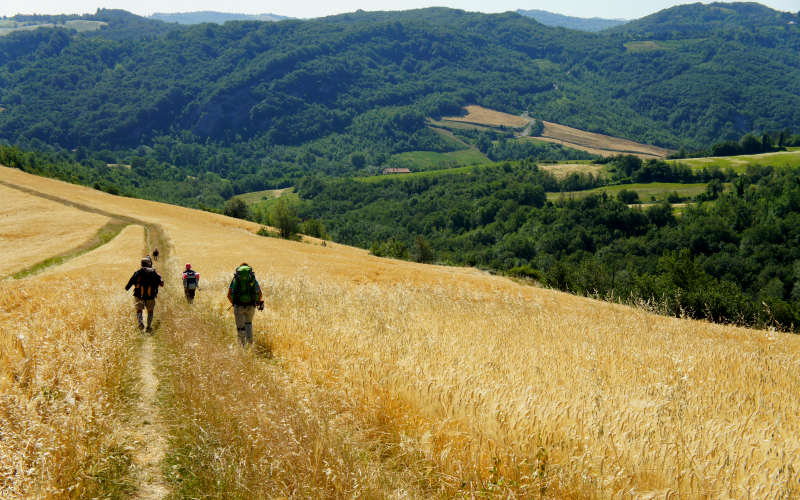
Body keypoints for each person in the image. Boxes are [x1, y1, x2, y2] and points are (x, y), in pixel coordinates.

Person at [227, 263, 264, 346]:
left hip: (238, 306)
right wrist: (257, 302)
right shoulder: (252, 279)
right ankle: (250, 344)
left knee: (240, 327)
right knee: (248, 324)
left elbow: (228, 295)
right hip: (251, 306)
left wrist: (234, 303)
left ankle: (242, 346)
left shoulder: (236, 279)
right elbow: (260, 293)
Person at [125, 257, 164, 332]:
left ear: (141, 264)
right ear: (149, 263)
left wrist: (127, 288)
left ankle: (140, 323)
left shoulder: (138, 272)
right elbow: (161, 283)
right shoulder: (153, 272)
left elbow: (130, 283)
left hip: (139, 295)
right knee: (150, 311)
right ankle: (148, 326)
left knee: (139, 310)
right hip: (150, 296)